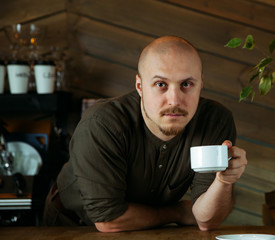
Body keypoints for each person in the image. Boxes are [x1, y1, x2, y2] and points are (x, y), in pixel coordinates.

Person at [43, 36, 247, 232]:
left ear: (200, 84)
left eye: (186, 84)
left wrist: (223, 182)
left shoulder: (215, 121)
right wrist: (175, 213)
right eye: (161, 85)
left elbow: (205, 220)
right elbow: (108, 221)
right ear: (140, 86)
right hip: (71, 225)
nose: (175, 100)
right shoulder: (103, 124)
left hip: (146, 227)